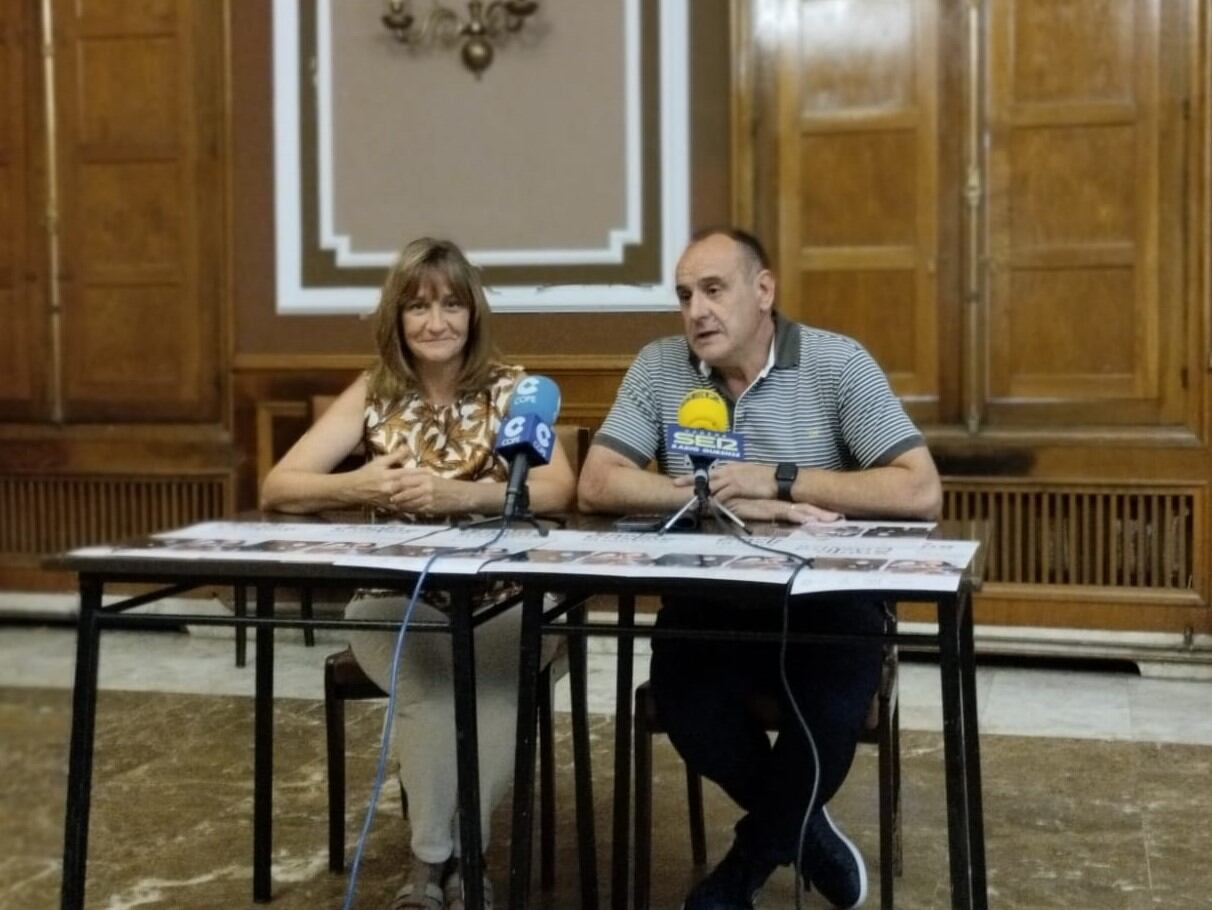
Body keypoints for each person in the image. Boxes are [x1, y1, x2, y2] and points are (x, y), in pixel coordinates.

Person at [577, 227, 941, 910]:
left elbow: (919, 489)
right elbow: (598, 482)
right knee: (687, 707)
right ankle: (805, 833)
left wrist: (778, 480)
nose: (696, 311)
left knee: (826, 713)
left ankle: (739, 874)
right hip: (709, 603)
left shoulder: (836, 362)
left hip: (826, 605)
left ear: (764, 290)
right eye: (685, 296)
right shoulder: (661, 367)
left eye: (714, 290)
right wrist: (711, 496)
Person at [260, 237, 575, 910]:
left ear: (473, 313)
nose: (437, 322)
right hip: (394, 599)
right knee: (432, 690)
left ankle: (435, 866)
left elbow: (557, 490)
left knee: (490, 690)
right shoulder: (373, 392)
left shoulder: (514, 389)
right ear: (396, 318)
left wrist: (463, 495)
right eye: (418, 307)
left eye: (452, 304)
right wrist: (358, 484)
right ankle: (450, 862)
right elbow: (279, 485)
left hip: (508, 597)